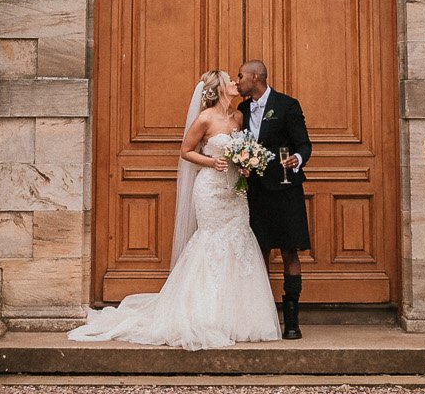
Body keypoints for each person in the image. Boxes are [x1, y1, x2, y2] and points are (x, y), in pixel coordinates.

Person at [69, 69, 281, 349]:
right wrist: (210, 162)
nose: (234, 83)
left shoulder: (239, 117)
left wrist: (244, 164)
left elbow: (241, 149)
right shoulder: (205, 119)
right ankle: (207, 315)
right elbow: (186, 150)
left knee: (239, 238)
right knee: (211, 241)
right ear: (219, 89)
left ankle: (240, 318)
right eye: (230, 80)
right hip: (210, 190)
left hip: (235, 191)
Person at [233, 59, 312, 340]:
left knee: (290, 251)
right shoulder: (242, 109)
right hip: (256, 192)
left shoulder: (287, 105)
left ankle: (292, 322)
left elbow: (304, 143)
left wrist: (298, 159)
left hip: (286, 188)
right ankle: (263, 320)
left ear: (256, 77)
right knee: (260, 253)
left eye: (241, 76)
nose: (237, 80)